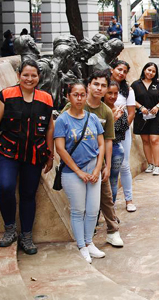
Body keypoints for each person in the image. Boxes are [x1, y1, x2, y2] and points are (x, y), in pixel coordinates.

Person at [0, 60, 54, 255]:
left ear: (38, 77)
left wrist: (50, 155)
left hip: (33, 154)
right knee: (5, 186)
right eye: (26, 75)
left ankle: (26, 235)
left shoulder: (46, 98)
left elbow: (49, 127)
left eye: (33, 75)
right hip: (7, 152)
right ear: (19, 75)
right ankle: (9, 229)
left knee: (28, 194)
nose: (29, 79)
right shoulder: (6, 95)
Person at [61, 70, 123, 249]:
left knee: (106, 197)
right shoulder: (74, 105)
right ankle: (84, 238)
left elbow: (108, 141)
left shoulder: (106, 112)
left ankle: (112, 230)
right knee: (79, 205)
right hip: (74, 166)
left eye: (103, 85)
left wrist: (107, 166)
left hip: (97, 164)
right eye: (96, 84)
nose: (99, 88)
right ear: (89, 85)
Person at [55, 81, 105, 264]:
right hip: (72, 172)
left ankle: (90, 242)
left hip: (93, 169)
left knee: (93, 210)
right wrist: (78, 172)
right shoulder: (63, 120)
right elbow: (60, 149)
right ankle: (81, 246)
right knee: (79, 210)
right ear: (68, 97)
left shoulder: (92, 119)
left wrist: (98, 168)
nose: (79, 98)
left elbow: (101, 144)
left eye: (82, 94)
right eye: (75, 95)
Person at [109, 60, 136, 212]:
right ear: (112, 69)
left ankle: (129, 199)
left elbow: (131, 113)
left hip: (122, 130)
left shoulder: (128, 90)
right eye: (119, 69)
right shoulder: (104, 86)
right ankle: (109, 203)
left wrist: (121, 129)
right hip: (105, 130)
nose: (121, 73)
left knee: (124, 165)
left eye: (124, 71)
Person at [132, 62, 159, 176]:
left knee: (154, 140)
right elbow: (132, 99)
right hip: (142, 117)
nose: (150, 73)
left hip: (156, 116)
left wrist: (157, 106)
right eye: (149, 70)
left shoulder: (158, 84)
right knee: (145, 140)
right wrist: (140, 107)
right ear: (144, 70)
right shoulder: (136, 85)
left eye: (153, 71)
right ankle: (150, 163)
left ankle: (157, 165)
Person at [103, 82, 128, 205]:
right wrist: (112, 118)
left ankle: (111, 211)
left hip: (115, 148)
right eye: (110, 93)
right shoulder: (98, 110)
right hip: (98, 148)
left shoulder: (120, 111)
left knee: (113, 181)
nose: (113, 96)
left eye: (115, 93)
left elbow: (121, 132)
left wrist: (115, 119)